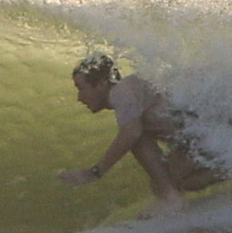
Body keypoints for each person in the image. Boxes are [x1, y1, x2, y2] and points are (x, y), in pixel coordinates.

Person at [58, 53, 222, 212]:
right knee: (175, 182)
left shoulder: (121, 90)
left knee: (136, 135)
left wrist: (95, 172)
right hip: (209, 136)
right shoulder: (133, 93)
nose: (79, 97)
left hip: (207, 132)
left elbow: (132, 133)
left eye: (81, 88)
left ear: (101, 84)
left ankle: (171, 199)